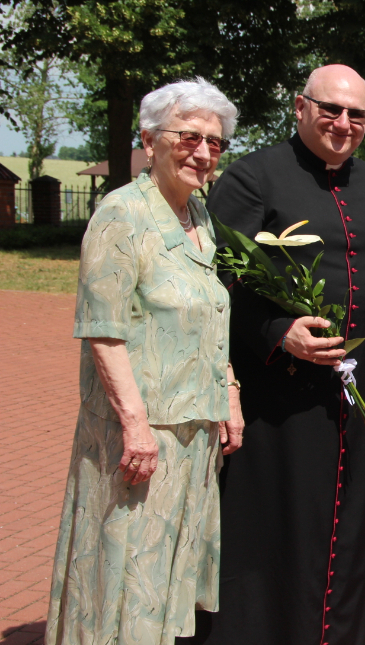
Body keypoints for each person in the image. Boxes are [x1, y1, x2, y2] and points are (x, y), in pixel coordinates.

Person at [192, 65, 365, 645]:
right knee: (272, 535)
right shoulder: (252, 177)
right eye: (330, 109)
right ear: (300, 107)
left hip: (350, 402)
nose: (343, 123)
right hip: (276, 399)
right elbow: (216, 283)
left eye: (357, 114)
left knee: (345, 536)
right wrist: (279, 331)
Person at [46, 78, 244, 645]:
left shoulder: (197, 216)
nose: (202, 153)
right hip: (140, 438)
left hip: (191, 435)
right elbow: (103, 331)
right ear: (150, 139)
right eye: (188, 137)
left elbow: (209, 315)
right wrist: (135, 426)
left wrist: (228, 394)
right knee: (124, 573)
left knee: (161, 578)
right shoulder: (122, 215)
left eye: (214, 142)